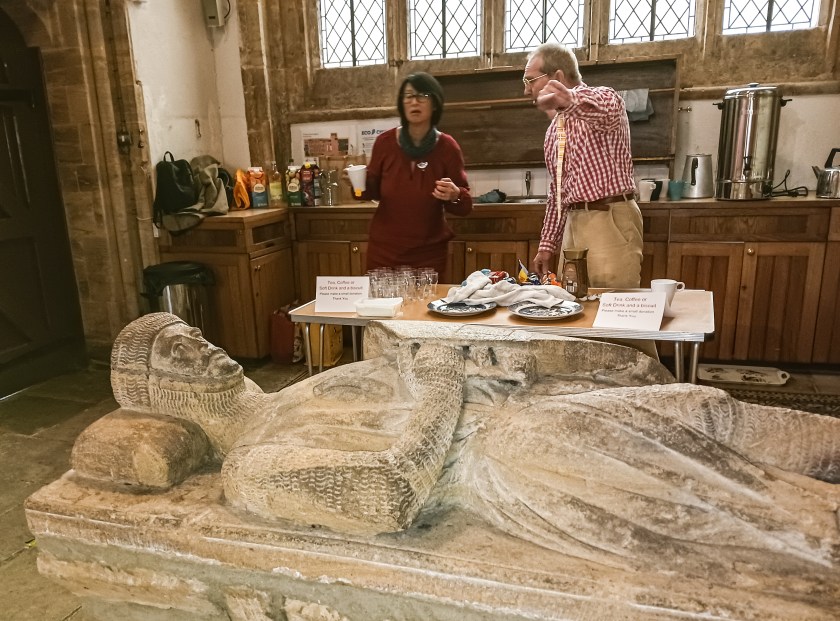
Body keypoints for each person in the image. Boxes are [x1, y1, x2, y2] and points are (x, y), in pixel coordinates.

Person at [524, 43, 643, 288]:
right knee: (570, 303)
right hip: (574, 223)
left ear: (557, 77)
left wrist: (569, 99)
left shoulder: (606, 99)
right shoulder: (554, 129)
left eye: (530, 80)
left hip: (609, 219)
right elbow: (558, 191)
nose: (527, 90)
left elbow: (603, 106)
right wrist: (547, 245)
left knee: (611, 306)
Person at [358, 72, 472, 275]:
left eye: (423, 96)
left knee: (424, 306)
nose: (414, 102)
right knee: (382, 306)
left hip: (429, 254)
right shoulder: (384, 143)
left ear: (435, 103)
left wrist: (455, 195)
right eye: (408, 96)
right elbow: (369, 193)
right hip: (384, 251)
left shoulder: (447, 147)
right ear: (402, 104)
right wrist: (357, 183)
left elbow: (464, 207)